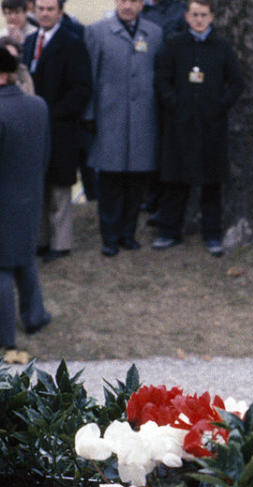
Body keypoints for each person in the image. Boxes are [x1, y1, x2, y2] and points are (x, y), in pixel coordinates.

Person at [151, 0, 244, 257]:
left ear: (212, 17)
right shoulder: (174, 44)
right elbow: (161, 81)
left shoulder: (222, 47)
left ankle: (212, 234)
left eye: (204, 15)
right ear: (187, 17)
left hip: (211, 127)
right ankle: (168, 231)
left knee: (211, 183)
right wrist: (175, 105)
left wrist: (219, 105)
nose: (199, 19)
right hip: (179, 125)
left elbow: (237, 82)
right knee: (175, 182)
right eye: (195, 15)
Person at [85, 0, 163, 257]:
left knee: (136, 181)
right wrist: (91, 116)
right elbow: (91, 77)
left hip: (143, 120)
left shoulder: (154, 33)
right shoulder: (97, 32)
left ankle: (128, 233)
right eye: (122, 0)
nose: (127, 5)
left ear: (142, 4)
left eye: (133, 1)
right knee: (110, 181)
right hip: (110, 119)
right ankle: (109, 236)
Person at [21, 0, 90, 263]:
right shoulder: (29, 43)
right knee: (38, 183)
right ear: (34, 11)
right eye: (41, 9)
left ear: (60, 12)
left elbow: (82, 88)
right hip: (33, 127)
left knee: (59, 187)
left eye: (51, 9)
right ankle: (40, 239)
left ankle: (60, 243)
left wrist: (55, 113)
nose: (45, 14)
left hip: (60, 125)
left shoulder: (72, 43)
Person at [1, 46, 51, 355]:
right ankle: (35, 316)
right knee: (24, 258)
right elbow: (44, 151)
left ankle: (5, 335)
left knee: (2, 268)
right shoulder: (38, 105)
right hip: (30, 195)